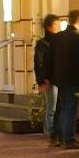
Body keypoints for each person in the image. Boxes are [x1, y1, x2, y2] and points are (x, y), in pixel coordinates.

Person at [51, 9, 79, 149]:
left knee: (62, 108)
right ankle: (69, 138)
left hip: (60, 79)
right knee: (71, 109)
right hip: (73, 79)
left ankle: (60, 137)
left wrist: (53, 76)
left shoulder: (58, 37)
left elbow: (51, 58)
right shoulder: (78, 38)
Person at [33, 14, 61, 145]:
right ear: (50, 26)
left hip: (57, 78)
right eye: (57, 24)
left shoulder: (58, 41)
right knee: (52, 107)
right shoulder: (42, 44)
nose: (59, 27)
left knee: (55, 107)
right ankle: (52, 134)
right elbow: (39, 63)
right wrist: (42, 79)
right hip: (49, 80)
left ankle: (56, 133)